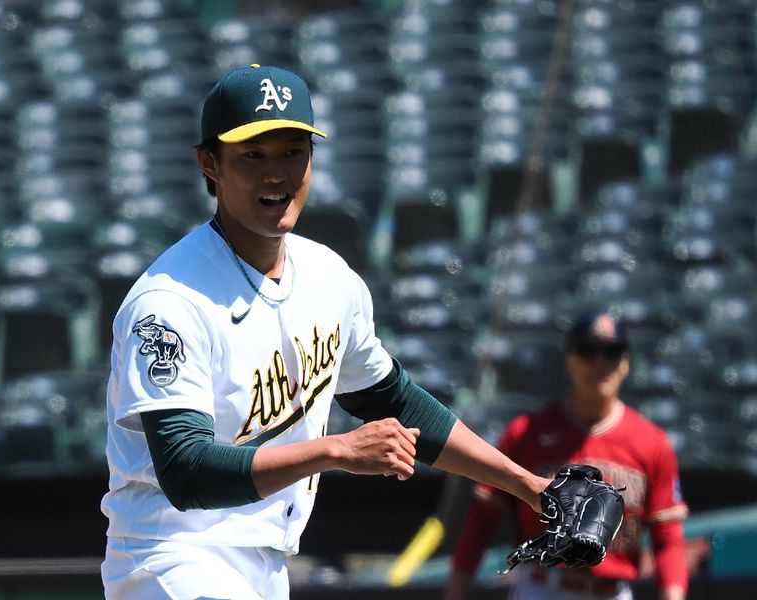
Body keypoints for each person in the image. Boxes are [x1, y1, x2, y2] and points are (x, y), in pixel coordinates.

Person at [100, 64, 556, 600]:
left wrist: (530, 488)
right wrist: (336, 450)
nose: (277, 174)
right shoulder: (170, 301)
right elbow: (187, 471)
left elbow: (394, 400)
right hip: (172, 555)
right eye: (253, 155)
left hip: (264, 564)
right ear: (210, 163)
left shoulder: (328, 278)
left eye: (293, 151)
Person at [444, 309, 689, 600]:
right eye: (587, 350)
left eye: (612, 351)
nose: (600, 362)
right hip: (542, 587)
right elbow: (482, 522)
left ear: (626, 363)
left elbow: (668, 540)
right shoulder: (526, 434)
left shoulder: (652, 443)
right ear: (569, 361)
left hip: (611, 591)